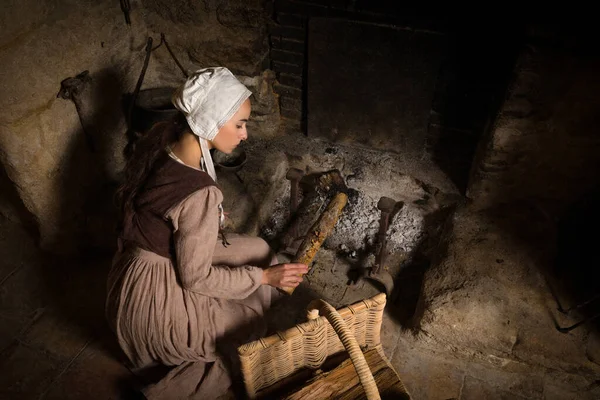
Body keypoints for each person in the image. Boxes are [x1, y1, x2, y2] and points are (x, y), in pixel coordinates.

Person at [105, 67, 308, 399]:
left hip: (138, 268)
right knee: (248, 330)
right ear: (212, 122)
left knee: (257, 248)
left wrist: (208, 221)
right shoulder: (199, 193)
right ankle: (165, 391)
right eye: (239, 125)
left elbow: (171, 212)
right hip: (152, 303)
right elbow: (195, 279)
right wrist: (264, 279)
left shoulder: (166, 139)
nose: (244, 135)